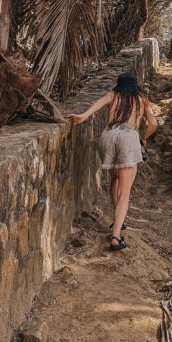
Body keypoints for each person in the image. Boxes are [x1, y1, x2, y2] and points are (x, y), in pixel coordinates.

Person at [66, 73, 157, 251]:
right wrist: (143, 138)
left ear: (119, 86)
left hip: (108, 135)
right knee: (125, 192)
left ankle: (118, 221)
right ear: (135, 86)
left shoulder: (112, 95)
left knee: (114, 179)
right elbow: (153, 123)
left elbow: (93, 108)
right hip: (128, 137)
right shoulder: (141, 99)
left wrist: (82, 116)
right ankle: (116, 235)